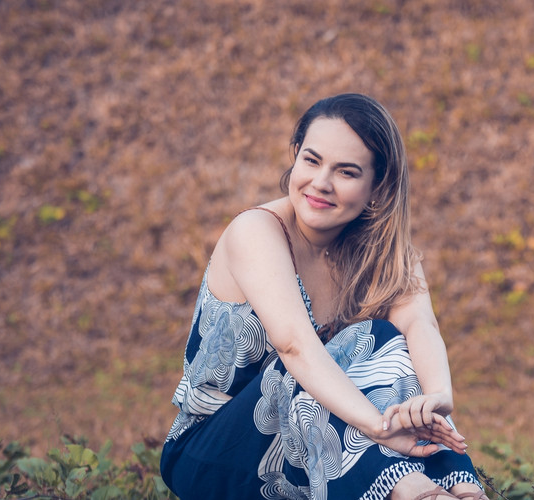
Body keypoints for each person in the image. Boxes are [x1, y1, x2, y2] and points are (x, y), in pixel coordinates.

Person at [160, 93, 489, 500]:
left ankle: (463, 490)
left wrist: (439, 397)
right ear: (295, 155)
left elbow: (420, 324)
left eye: (346, 172)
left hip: (311, 448)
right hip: (212, 454)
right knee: (299, 372)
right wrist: (379, 428)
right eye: (311, 161)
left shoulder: (381, 249)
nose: (321, 183)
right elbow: (295, 347)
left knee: (382, 336)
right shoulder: (256, 231)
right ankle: (416, 492)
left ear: (377, 186)